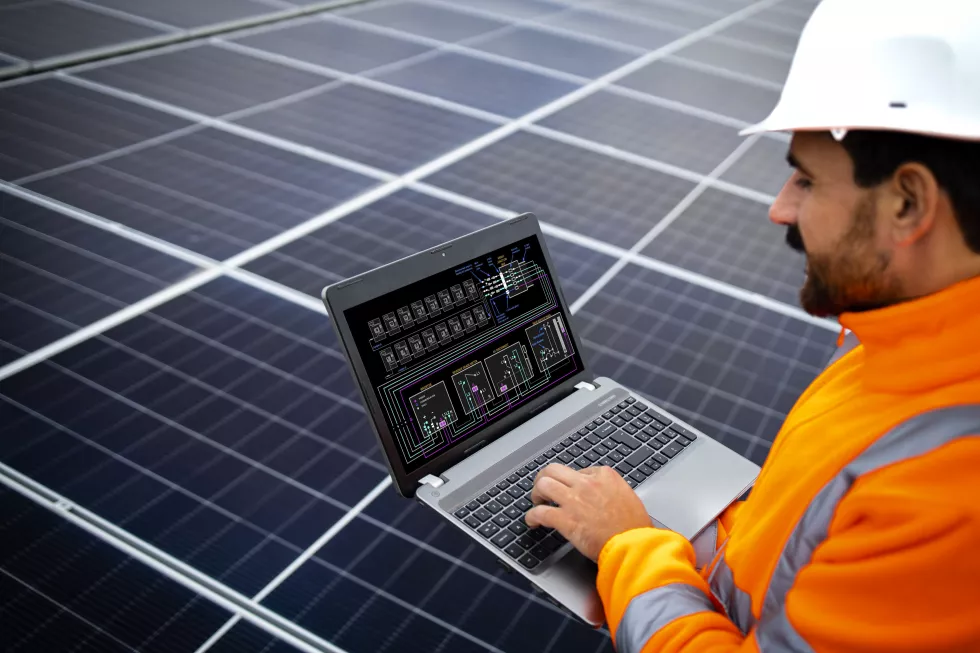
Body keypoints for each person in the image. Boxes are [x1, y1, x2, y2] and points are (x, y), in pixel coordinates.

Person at [527, 0, 980, 650]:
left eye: (806, 179)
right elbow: (801, 550)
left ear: (908, 203)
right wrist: (676, 517)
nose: (779, 208)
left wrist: (629, 546)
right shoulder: (904, 341)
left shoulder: (949, 495)